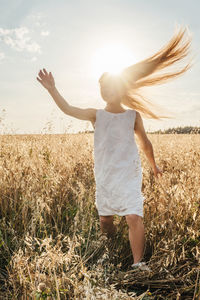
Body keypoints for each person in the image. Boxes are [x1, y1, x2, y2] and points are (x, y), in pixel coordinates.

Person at [36, 25, 193, 271]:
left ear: (121, 89)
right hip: (106, 175)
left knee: (133, 216)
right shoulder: (95, 115)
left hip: (129, 174)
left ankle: (138, 263)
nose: (106, 91)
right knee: (106, 220)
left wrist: (154, 166)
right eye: (102, 88)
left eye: (110, 87)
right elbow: (67, 109)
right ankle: (109, 251)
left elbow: (145, 143)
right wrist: (52, 89)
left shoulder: (133, 116)